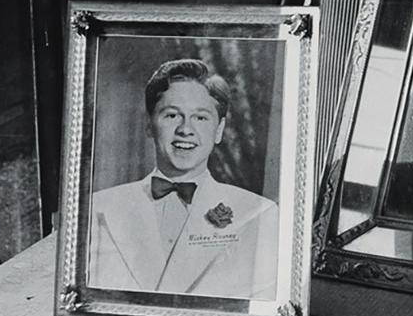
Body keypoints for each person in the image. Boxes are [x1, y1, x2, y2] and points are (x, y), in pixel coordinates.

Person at [89, 59, 279, 300]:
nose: (185, 129)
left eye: (200, 118)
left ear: (219, 130)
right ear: (149, 124)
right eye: (171, 115)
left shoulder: (259, 214)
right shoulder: (98, 208)